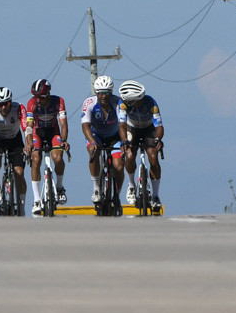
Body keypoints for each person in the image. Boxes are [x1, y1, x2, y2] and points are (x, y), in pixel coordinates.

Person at [117, 80, 165, 212]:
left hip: (148, 129)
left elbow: (159, 126)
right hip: (131, 128)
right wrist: (124, 141)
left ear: (135, 100)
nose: (124, 101)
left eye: (127, 100)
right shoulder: (122, 104)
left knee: (153, 158)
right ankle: (131, 185)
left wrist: (158, 139)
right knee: (129, 155)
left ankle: (155, 196)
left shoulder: (151, 103)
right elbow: (121, 124)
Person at [0, 87, 29, 213]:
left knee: (19, 173)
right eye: (0, 104)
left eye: (6, 104)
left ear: (11, 102)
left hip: (15, 139)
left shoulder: (19, 108)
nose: (3, 107)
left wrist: (28, 144)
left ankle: (22, 208)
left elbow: (26, 129)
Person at [24, 79, 70, 205]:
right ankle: (37, 199)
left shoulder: (58, 101)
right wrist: (29, 143)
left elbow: (63, 124)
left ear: (48, 95)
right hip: (37, 132)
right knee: (36, 158)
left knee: (58, 158)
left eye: (41, 97)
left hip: (53, 132)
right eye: (36, 97)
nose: (38, 100)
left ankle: (59, 187)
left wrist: (64, 141)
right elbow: (29, 126)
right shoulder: (31, 103)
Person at [80, 75, 125, 206]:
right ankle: (96, 188)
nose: (103, 96)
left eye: (106, 93)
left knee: (119, 165)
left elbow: (123, 124)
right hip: (96, 136)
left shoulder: (118, 103)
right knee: (93, 153)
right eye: (100, 93)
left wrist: (124, 142)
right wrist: (93, 142)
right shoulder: (89, 103)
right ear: (96, 92)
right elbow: (85, 126)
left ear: (111, 92)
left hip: (114, 137)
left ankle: (117, 194)